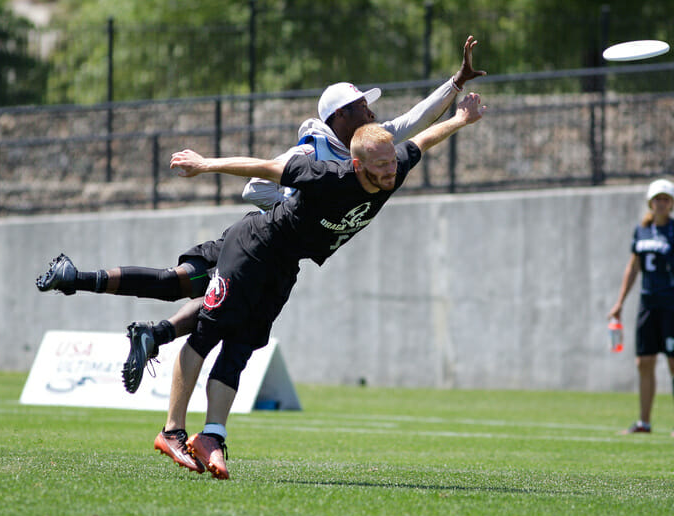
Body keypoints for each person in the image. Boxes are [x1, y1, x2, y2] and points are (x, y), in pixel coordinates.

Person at [36, 36, 486, 393]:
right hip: (260, 242)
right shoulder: (311, 154)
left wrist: (456, 82)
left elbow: (417, 120)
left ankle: (80, 282)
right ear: (341, 116)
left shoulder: (367, 145)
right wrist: (297, 208)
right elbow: (256, 187)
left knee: (179, 283)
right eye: (362, 105)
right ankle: (155, 342)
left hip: (264, 242)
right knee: (220, 304)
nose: (372, 109)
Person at [157, 92, 485, 479]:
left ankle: (212, 435)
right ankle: (172, 430)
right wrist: (203, 164)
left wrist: (462, 119)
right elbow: (263, 167)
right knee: (208, 330)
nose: (390, 172)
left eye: (391, 162)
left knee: (242, 346)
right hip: (254, 244)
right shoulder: (326, 175)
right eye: (380, 166)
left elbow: (423, 138)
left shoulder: (393, 165)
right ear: (357, 164)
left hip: (285, 263)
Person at [607, 179, 674, 437]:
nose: (661, 203)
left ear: (672, 204)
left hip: (672, 304)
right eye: (657, 198)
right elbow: (633, 268)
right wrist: (620, 303)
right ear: (650, 202)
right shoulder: (641, 231)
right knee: (644, 362)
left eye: (666, 199)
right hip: (648, 305)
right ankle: (644, 422)